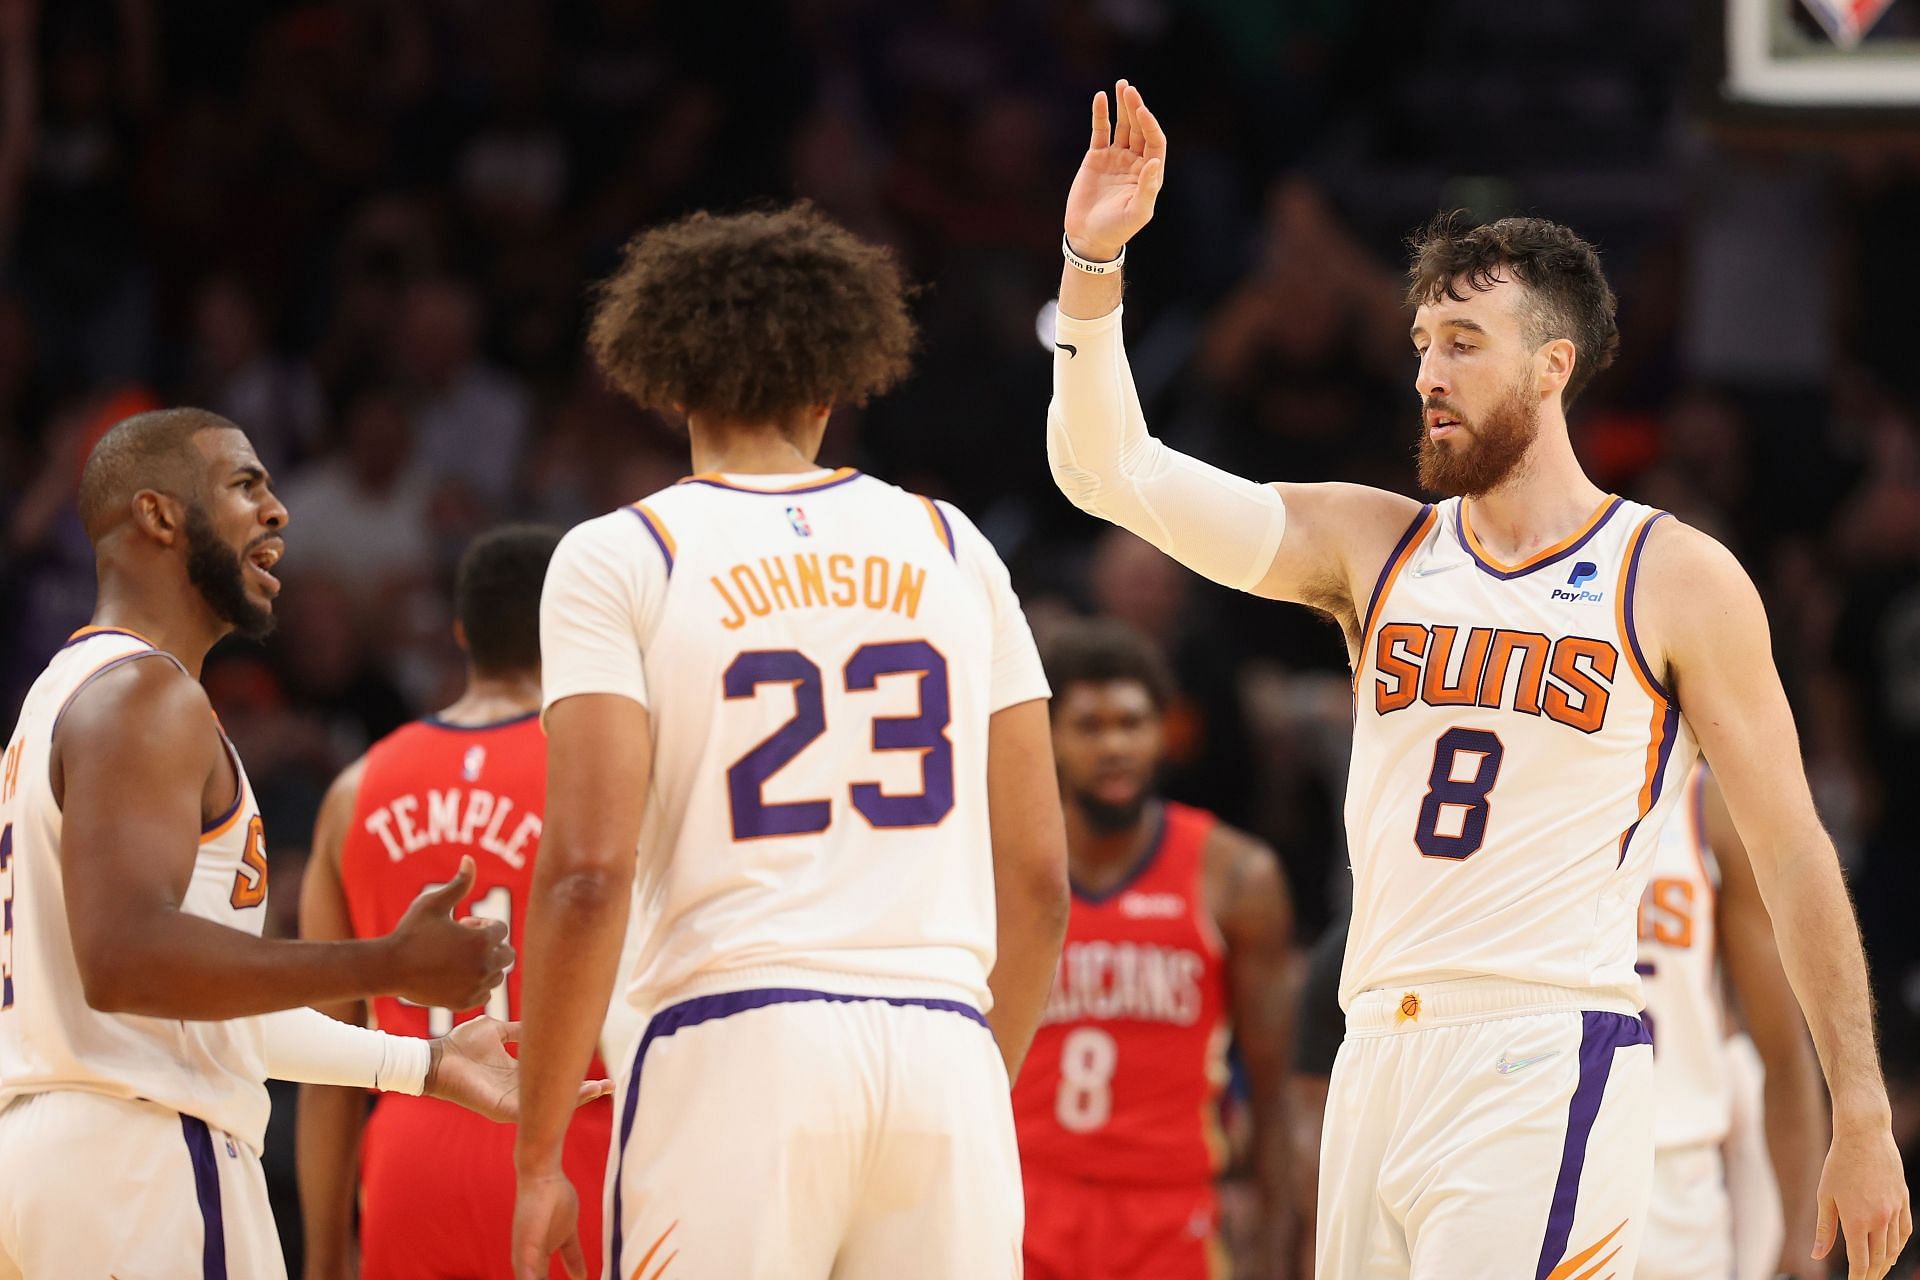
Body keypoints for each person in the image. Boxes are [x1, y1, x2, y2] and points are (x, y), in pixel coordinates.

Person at [1046, 80, 1907, 1278]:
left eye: (1463, 344)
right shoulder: (1369, 542)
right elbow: (1109, 472)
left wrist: (1860, 1111)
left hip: (1544, 1048)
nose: (1427, 375)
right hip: (1376, 1047)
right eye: (1419, 346)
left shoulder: (1674, 574)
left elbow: (1793, 848)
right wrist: (1092, 265)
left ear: (1554, 364)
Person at [510, 205, 1071, 1280]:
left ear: (667, 381)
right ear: (837, 382)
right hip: (944, 1042)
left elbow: (586, 870)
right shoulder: (957, 546)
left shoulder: (620, 553)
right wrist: (964, 1079)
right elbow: (1040, 879)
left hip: (734, 1042)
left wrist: (540, 1155)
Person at [0, 408, 596, 1279]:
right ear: (160, 516)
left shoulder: (55, 701)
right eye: (246, 485)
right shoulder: (145, 698)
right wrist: (386, 965)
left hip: (63, 1164)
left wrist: (420, 1062)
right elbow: (126, 961)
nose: (278, 511)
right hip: (141, 1165)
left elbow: (184, 1002)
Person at [298, 524, 618, 1280]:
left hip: (411, 1156)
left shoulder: (354, 790)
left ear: (462, 633)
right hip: (571, 1143)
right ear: (574, 626)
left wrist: (320, 1256)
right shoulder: (603, 771)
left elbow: (325, 1052)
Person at [1013, 617, 1293, 1280]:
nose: (1114, 745)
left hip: (1172, 1212)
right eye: (1089, 725)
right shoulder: (1005, 871)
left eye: (1132, 723)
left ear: (1165, 732)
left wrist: (1278, 1243)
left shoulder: (1235, 877)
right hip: (1025, 1198)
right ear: (1049, 738)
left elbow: (1273, 1091)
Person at [1636, 763, 1826, 1280]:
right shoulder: (1526, 791)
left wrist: (1803, 1236)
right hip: (1542, 1146)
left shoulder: (1704, 804)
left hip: (1675, 1170)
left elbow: (1783, 1048)